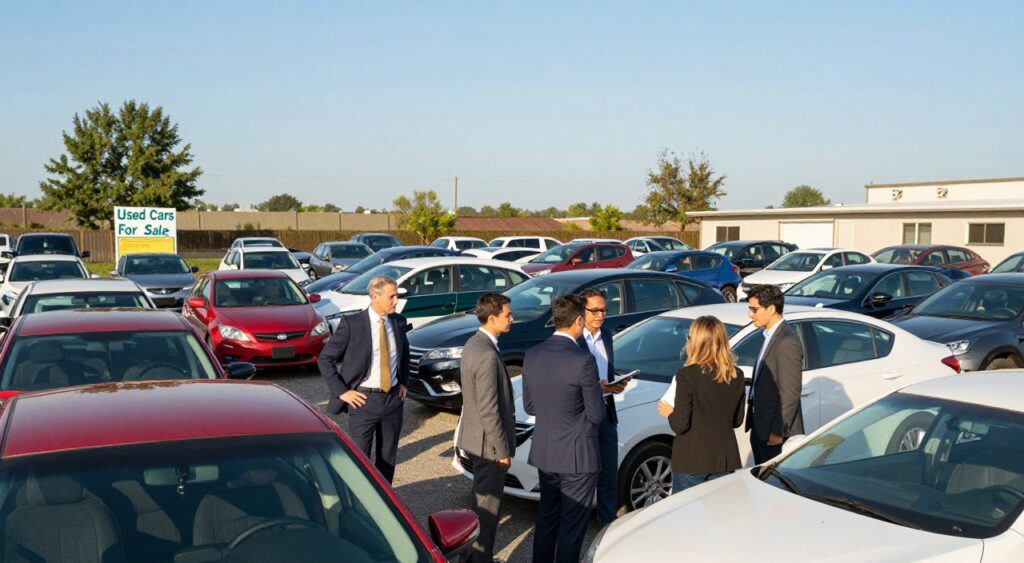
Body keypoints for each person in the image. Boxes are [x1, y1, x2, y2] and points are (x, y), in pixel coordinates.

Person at [523, 294, 605, 563]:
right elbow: (596, 414)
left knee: (547, 518)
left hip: (546, 452)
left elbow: (530, 406)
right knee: (572, 526)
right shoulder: (583, 360)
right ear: (579, 320)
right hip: (578, 455)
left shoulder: (532, 355)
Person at [318, 275, 410, 483]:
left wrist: (404, 381)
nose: (396, 301)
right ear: (374, 297)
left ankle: (385, 501)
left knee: (387, 459)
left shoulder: (398, 321)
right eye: (392, 296)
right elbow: (325, 359)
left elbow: (405, 352)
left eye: (396, 296)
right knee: (360, 459)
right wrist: (342, 391)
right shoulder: (352, 324)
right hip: (363, 402)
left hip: (392, 400)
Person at [456, 293, 516, 563]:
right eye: (507, 315)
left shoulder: (473, 343)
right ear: (492, 318)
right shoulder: (487, 354)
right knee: (487, 512)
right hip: (488, 446)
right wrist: (501, 449)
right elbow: (489, 408)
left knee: (480, 506)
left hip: (475, 439)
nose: (511, 319)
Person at [657, 316, 745, 493]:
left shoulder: (687, 375)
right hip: (724, 459)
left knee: (687, 516)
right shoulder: (736, 375)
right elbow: (737, 420)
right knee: (720, 516)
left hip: (692, 460)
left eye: (689, 337)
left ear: (696, 342)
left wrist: (668, 412)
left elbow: (680, 425)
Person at [576, 288, 625, 525]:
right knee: (583, 473)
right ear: (582, 311)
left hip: (606, 411)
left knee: (608, 473)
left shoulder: (605, 335)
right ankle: (579, 521)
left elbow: (606, 371)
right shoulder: (574, 341)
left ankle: (607, 522)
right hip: (582, 415)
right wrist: (598, 389)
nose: (600, 315)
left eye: (604, 309)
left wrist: (615, 385)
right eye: (594, 310)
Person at [745, 284, 804, 464]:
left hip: (775, 435)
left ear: (771, 309)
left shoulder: (787, 342)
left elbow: (790, 393)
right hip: (761, 428)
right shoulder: (769, 336)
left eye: (754, 309)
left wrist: (778, 431)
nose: (750, 314)